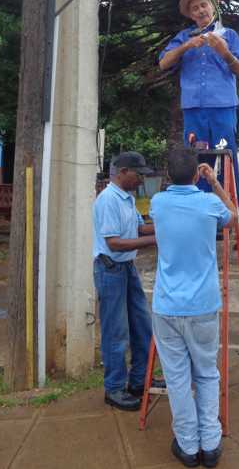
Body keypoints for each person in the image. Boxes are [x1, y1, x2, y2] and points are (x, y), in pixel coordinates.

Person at [149, 148, 237, 468]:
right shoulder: (209, 203)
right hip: (202, 306)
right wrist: (214, 182)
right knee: (206, 373)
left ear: (168, 175)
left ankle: (187, 446)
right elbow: (233, 217)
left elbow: (167, 199)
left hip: (168, 306)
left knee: (177, 378)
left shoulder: (158, 204)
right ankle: (210, 444)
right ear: (198, 174)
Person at [158, 0, 239, 196]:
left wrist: (224, 52)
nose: (200, 10)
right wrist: (187, 46)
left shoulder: (229, 34)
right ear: (190, 14)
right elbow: (163, 63)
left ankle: (229, 212)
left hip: (222, 108)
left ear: (213, 7)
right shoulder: (183, 37)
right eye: (195, 8)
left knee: (226, 157)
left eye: (203, 5)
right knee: (195, 159)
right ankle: (198, 208)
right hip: (193, 110)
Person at [93, 151, 163, 411]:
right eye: (138, 174)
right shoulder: (108, 200)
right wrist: (155, 240)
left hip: (126, 268)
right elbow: (114, 243)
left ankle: (139, 380)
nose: (142, 180)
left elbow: (139, 228)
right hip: (110, 269)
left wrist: (169, 223)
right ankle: (114, 388)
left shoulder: (128, 199)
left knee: (143, 325)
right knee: (117, 331)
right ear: (122, 172)